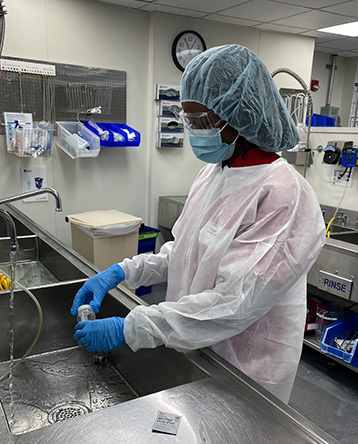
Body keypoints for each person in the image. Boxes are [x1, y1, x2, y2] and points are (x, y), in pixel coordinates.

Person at [71, 44, 326, 403]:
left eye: (201, 121)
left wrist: (133, 326)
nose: (193, 131)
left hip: (246, 372)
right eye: (188, 119)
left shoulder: (284, 195)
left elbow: (235, 302)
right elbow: (185, 252)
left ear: (240, 118)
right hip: (195, 348)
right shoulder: (213, 173)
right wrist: (121, 272)